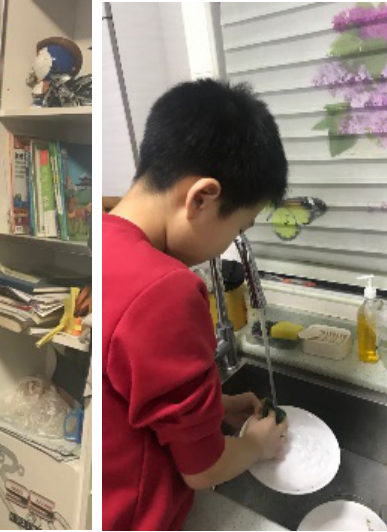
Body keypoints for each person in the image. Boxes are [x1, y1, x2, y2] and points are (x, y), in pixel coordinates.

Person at [103, 79, 290, 531]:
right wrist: (257, 446)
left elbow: (132, 391)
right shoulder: (166, 289)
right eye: (238, 229)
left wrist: (213, 408)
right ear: (202, 198)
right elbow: (203, 470)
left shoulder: (103, 238)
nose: (228, 246)